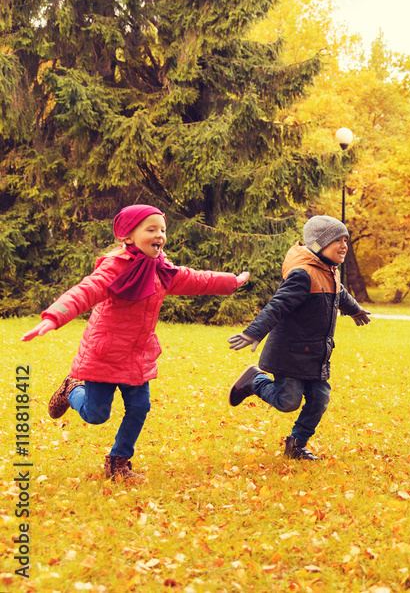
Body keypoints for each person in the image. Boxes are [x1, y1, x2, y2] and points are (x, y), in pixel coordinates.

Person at [21, 204, 249, 482]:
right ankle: (72, 389)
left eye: (162, 230)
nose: (160, 235)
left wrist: (230, 281)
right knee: (96, 415)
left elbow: (194, 278)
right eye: (151, 229)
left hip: (138, 355)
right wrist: (54, 317)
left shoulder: (161, 269)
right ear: (128, 236)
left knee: (140, 407)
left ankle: (118, 462)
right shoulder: (114, 267)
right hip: (105, 354)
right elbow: (86, 290)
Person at [227, 215, 371, 461]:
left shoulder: (330, 271)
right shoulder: (303, 274)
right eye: (337, 239)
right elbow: (277, 306)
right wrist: (254, 332)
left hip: (316, 354)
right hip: (290, 353)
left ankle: (297, 444)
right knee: (288, 401)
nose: (344, 245)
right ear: (318, 244)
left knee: (319, 401)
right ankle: (255, 381)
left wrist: (355, 309)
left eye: (345, 239)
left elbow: (341, 294)